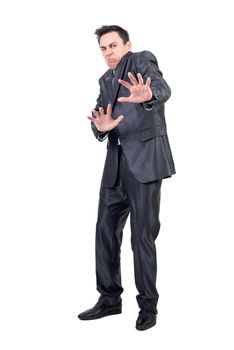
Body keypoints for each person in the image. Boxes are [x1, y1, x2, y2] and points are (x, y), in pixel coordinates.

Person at [78, 25, 175, 331]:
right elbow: (98, 117)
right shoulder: (106, 80)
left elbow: (161, 89)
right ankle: (109, 299)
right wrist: (100, 127)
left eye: (113, 46)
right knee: (105, 233)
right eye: (103, 49)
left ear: (127, 44)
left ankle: (148, 306)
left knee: (141, 238)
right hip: (115, 168)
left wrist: (149, 95)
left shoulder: (141, 61)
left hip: (145, 164)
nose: (108, 53)